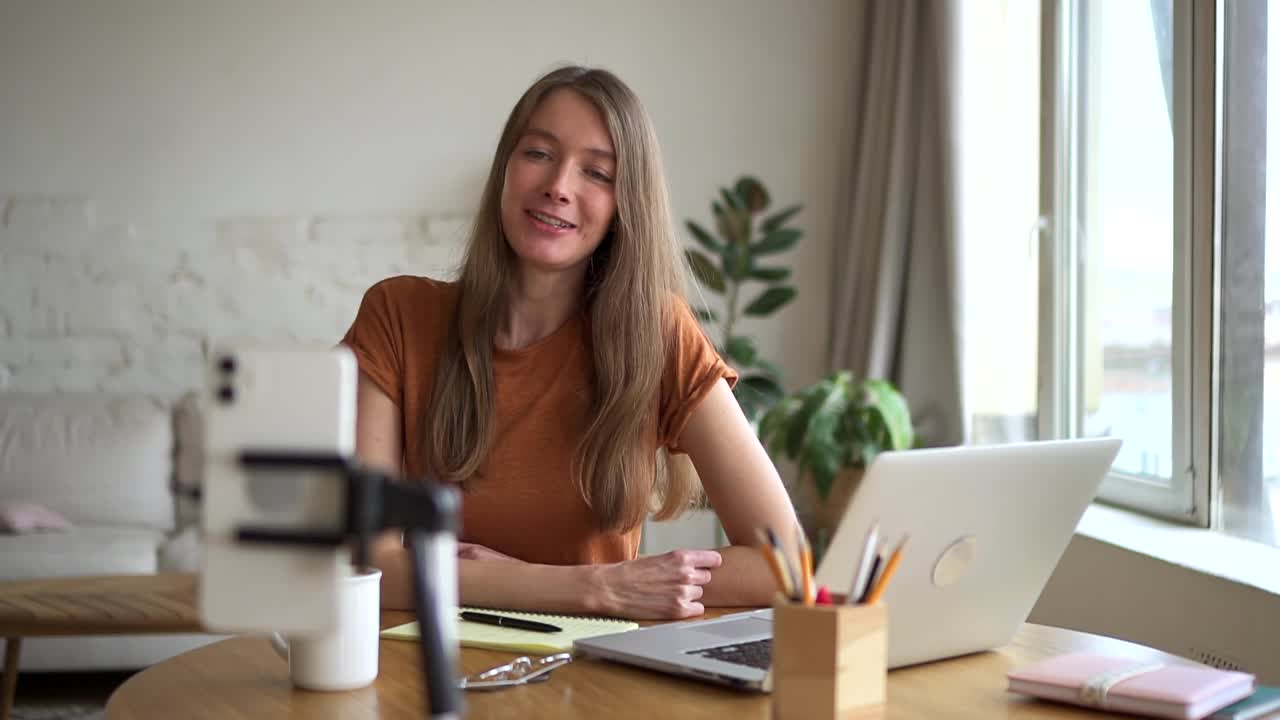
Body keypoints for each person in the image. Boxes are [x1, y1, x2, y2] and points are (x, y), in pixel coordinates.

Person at [341, 65, 797, 620]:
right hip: (426, 671)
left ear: (626, 203)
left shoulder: (656, 334)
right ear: (505, 168)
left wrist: (516, 580)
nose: (559, 186)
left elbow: (787, 565)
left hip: (593, 680)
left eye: (598, 173)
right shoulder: (398, 317)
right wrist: (591, 588)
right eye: (538, 153)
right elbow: (373, 566)